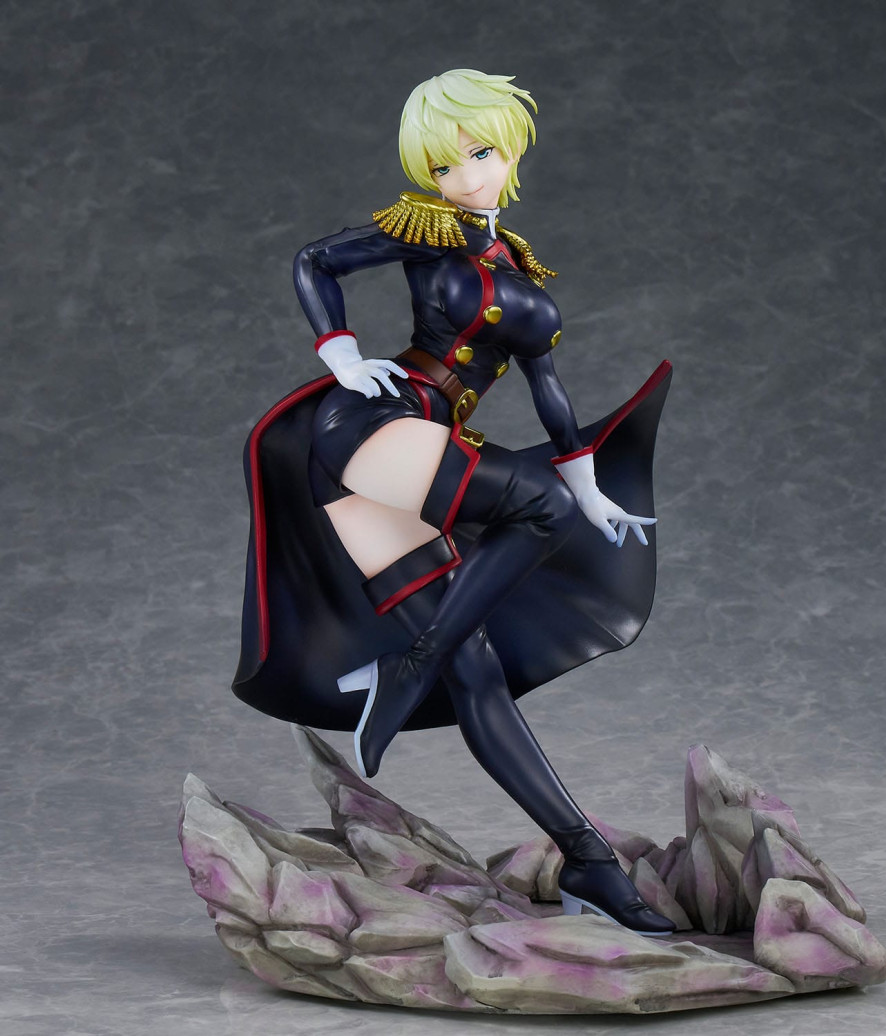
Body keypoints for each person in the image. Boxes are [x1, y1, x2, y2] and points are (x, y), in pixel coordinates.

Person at [234, 69, 675, 935]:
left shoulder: (517, 263)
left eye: (479, 153)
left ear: (511, 146)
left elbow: (549, 392)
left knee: (478, 674)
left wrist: (592, 489)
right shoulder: (428, 231)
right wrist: (341, 353)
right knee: (537, 509)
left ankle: (589, 863)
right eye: (444, 163)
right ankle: (408, 664)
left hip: (413, 452)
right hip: (373, 425)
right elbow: (316, 261)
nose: (464, 175)